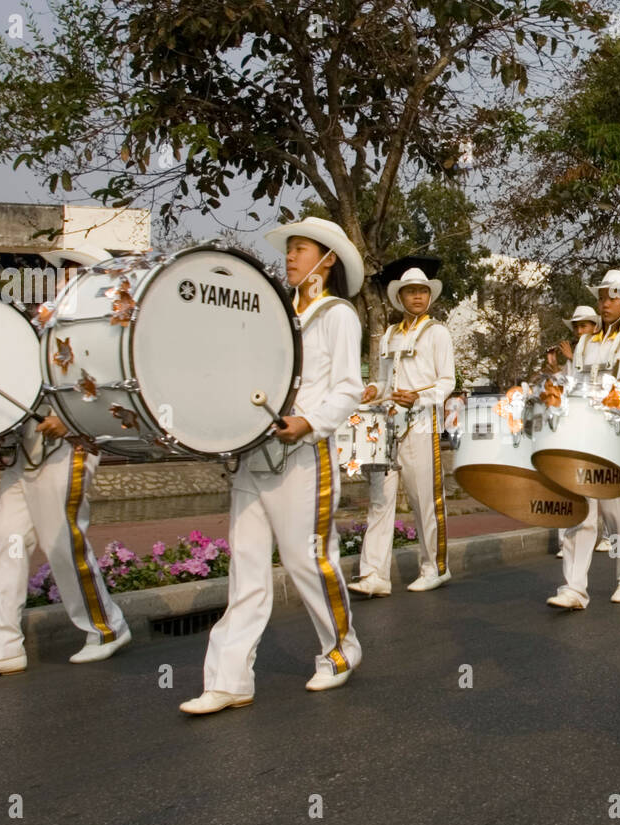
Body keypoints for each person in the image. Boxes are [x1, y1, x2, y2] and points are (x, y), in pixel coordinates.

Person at [181, 216, 364, 715]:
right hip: (255, 452)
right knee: (246, 567)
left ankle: (340, 650)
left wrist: (310, 422)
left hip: (304, 454)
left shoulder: (337, 315)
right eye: (289, 250)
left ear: (327, 260)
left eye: (301, 249)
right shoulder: (274, 314)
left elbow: (349, 387)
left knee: (307, 560)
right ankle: (229, 679)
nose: (290, 258)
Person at [0, 246, 132, 682]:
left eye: (74, 270)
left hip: (72, 447)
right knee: (4, 541)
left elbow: (115, 390)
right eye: (62, 270)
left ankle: (107, 628)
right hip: (26, 448)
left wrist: (67, 420)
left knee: (63, 541)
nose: (64, 276)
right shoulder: (37, 323)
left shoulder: (107, 330)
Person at [348, 261, 456, 596]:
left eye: (423, 291)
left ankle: (435, 567)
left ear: (429, 296)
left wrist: (417, 399)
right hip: (387, 425)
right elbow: (383, 382)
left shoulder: (437, 332)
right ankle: (374, 574)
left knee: (425, 498)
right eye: (412, 291)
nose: (418, 297)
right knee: (380, 500)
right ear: (401, 297)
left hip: (422, 423)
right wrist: (372, 391)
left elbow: (446, 382)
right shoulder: (390, 335)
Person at [546, 272, 620, 609]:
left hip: (616, 438)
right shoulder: (585, 344)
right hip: (585, 437)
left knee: (615, 515)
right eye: (602, 297)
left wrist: (613, 401)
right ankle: (574, 587)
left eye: (613, 297)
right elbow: (574, 386)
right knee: (581, 513)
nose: (605, 303)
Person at [547, 306, 603, 560]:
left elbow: (589, 382)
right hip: (576, 422)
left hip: (598, 422)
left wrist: (572, 359)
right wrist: (556, 366)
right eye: (577, 327)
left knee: (598, 487)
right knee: (572, 483)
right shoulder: (577, 352)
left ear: (595, 327)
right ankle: (569, 541)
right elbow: (567, 386)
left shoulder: (601, 347)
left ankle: (601, 537)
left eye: (585, 326)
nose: (580, 331)